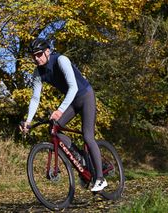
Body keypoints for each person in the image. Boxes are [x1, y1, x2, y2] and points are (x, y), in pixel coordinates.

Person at [20, 38, 107, 192]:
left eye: (39, 54)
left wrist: (59, 110)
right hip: (72, 102)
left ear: (47, 51)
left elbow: (73, 88)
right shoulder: (38, 72)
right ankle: (81, 158)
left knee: (88, 136)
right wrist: (28, 120)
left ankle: (100, 178)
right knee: (53, 129)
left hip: (85, 96)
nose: (36, 58)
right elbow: (35, 98)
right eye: (33, 56)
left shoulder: (61, 60)